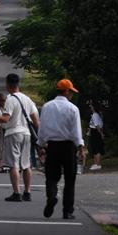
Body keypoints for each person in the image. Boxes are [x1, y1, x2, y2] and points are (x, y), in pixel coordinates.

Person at [0, 73, 39, 201]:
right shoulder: (27, 99)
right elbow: (36, 120)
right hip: (26, 134)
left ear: (7, 84)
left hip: (13, 133)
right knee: (26, 165)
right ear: (18, 84)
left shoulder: (10, 99)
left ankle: (16, 193)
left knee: (13, 165)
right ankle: (27, 192)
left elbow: (5, 119)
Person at [37, 79, 86, 219]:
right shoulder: (73, 108)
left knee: (51, 176)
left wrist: (41, 145)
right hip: (68, 147)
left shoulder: (47, 106)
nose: (72, 95)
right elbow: (76, 132)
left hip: (52, 146)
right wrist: (81, 148)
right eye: (71, 92)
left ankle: (51, 196)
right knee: (70, 179)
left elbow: (42, 128)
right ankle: (67, 210)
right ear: (66, 91)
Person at [87, 99, 104, 171]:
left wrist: (101, 134)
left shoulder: (95, 115)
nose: (90, 106)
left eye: (91, 105)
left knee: (97, 148)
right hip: (94, 132)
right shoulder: (95, 115)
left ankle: (98, 164)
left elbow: (97, 126)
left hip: (96, 132)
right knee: (94, 148)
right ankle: (95, 163)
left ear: (94, 106)